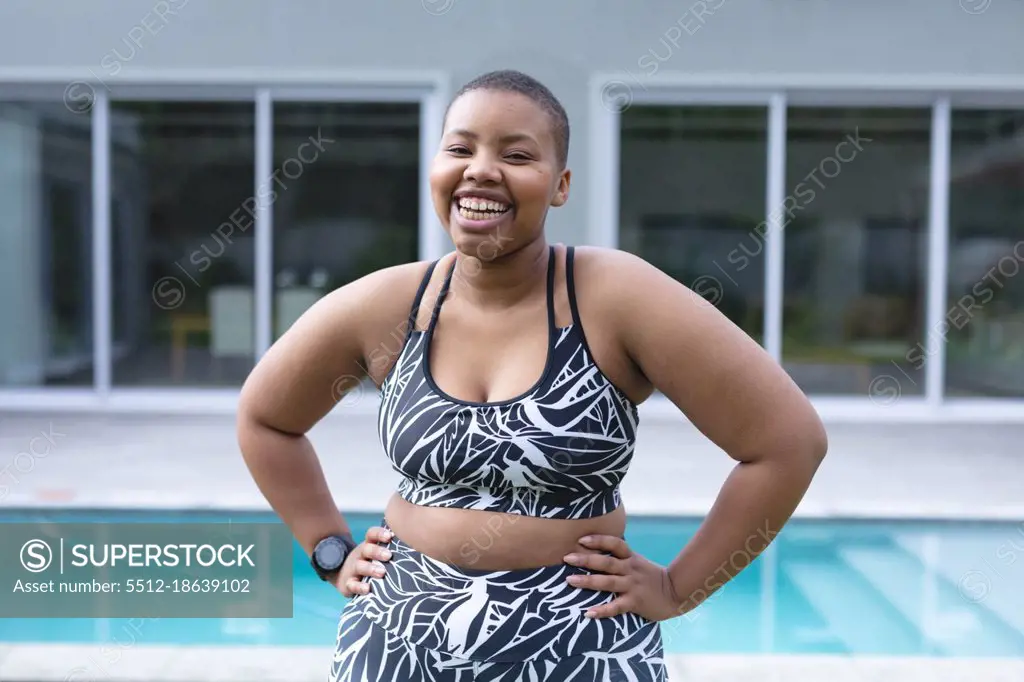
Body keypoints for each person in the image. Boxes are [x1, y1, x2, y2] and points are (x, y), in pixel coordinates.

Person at [236, 69, 829, 682]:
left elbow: (788, 443)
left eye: (516, 154)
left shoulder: (618, 298)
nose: (481, 170)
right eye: (460, 148)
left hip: (577, 647)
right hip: (395, 645)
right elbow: (266, 419)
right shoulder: (390, 306)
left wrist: (679, 588)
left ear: (561, 185)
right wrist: (329, 550)